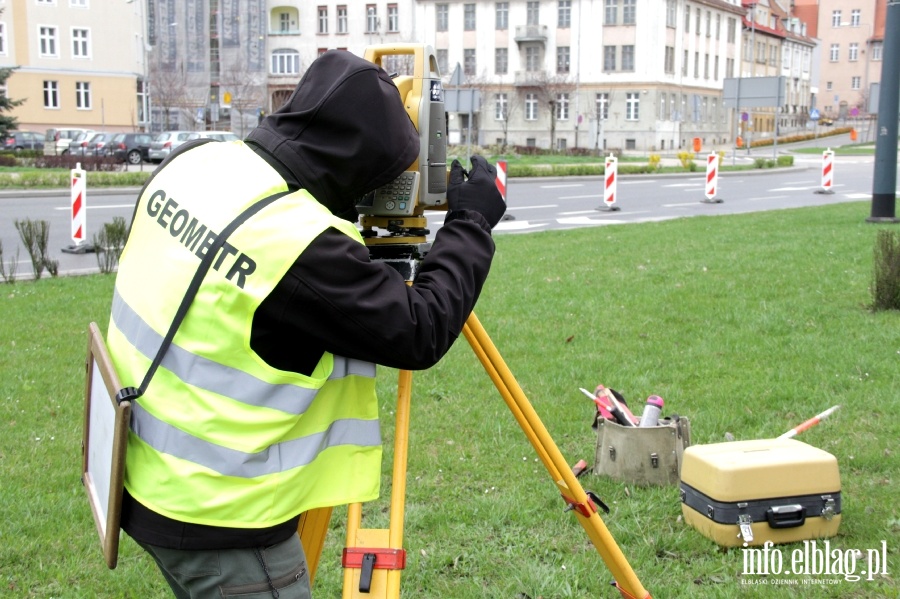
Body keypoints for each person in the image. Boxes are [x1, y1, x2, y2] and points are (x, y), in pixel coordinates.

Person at [106, 49, 505, 598]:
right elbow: (421, 327)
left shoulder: (197, 164)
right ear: (361, 165)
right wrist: (472, 220)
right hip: (223, 521)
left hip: (143, 478)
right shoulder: (295, 244)